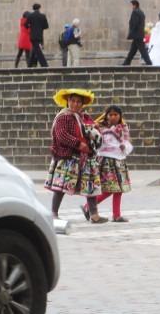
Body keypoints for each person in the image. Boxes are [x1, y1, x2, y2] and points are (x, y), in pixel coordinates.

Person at [45, 89, 108, 224]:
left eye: (78, 101)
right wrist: (78, 144)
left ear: (82, 104)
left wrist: (92, 141)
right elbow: (61, 135)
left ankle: (94, 215)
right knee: (61, 186)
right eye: (72, 101)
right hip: (68, 156)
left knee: (91, 184)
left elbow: (95, 131)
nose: (75, 104)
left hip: (87, 157)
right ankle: (54, 213)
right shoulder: (63, 117)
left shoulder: (85, 117)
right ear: (67, 101)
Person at [81, 105, 132, 223]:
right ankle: (88, 207)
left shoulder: (123, 128)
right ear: (106, 115)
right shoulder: (99, 128)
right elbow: (97, 143)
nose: (113, 117)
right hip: (107, 161)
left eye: (115, 115)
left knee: (120, 189)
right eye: (110, 115)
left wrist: (125, 147)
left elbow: (126, 141)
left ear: (120, 116)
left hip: (119, 160)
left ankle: (117, 215)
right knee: (109, 189)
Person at [122, 0, 152, 66]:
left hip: (137, 34)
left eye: (132, 5)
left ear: (135, 5)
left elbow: (135, 23)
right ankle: (127, 62)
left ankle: (149, 62)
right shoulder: (141, 12)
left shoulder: (135, 12)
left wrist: (131, 32)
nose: (131, 7)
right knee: (133, 50)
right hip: (140, 34)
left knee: (142, 49)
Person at [25, 3, 49, 67]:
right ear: (39, 8)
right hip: (39, 35)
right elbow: (46, 26)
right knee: (37, 50)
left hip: (32, 36)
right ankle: (44, 64)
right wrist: (40, 28)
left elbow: (25, 24)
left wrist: (31, 27)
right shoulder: (42, 16)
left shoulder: (30, 16)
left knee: (35, 49)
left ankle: (30, 65)